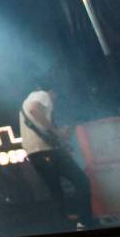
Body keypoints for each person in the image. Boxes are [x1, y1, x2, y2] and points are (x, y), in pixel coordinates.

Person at [19, 87, 95, 229]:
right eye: (57, 96)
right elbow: (34, 109)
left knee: (55, 191)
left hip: (35, 154)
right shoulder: (42, 95)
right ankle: (85, 221)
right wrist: (58, 132)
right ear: (53, 91)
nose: (55, 100)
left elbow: (37, 120)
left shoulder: (27, 100)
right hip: (47, 152)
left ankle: (61, 227)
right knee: (81, 180)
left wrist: (60, 138)